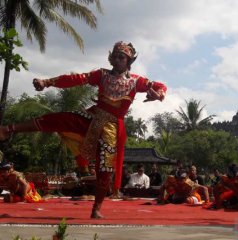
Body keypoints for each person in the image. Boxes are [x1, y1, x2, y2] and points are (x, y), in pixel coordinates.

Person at [0, 41, 167, 218]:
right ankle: (8, 129)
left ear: (129, 61)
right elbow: (75, 79)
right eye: (115, 56)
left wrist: (159, 95)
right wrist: (47, 82)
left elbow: (160, 86)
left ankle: (96, 208)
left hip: (112, 129)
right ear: (111, 58)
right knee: (59, 119)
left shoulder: (136, 81)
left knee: (105, 171)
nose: (118, 60)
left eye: (122, 57)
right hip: (92, 118)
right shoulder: (101, 74)